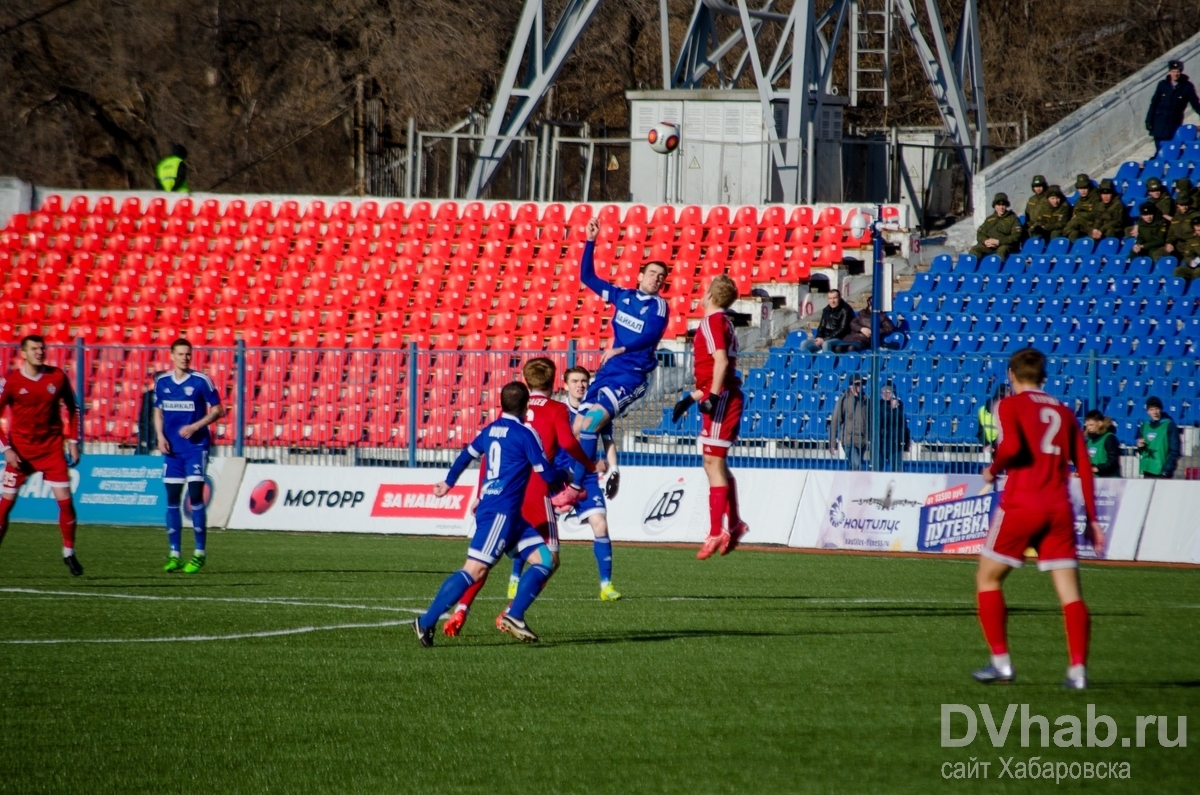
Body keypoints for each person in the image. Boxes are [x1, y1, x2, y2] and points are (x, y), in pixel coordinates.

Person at [973, 348, 1104, 690]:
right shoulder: (1063, 412)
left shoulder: (1009, 405)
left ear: (1010, 375)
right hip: (1059, 508)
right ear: (1044, 376)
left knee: (987, 578)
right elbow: (1085, 468)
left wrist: (992, 470)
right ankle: (1077, 672)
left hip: (1022, 503)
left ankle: (1001, 663)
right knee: (1070, 594)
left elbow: (1013, 447)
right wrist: (1092, 519)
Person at [442, 358, 602, 636]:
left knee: (483, 560)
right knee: (548, 560)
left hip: (501, 493)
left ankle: (461, 610)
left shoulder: (511, 414)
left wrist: (481, 492)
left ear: (526, 383)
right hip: (536, 492)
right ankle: (512, 613)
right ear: (554, 383)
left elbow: (486, 458)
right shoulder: (557, 409)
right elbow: (566, 443)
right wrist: (588, 466)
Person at [413, 382, 570, 646]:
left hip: (513, 516)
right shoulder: (525, 434)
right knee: (473, 571)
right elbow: (546, 473)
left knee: (546, 560)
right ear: (525, 406)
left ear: (502, 403)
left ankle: (515, 615)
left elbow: (466, 455)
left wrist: (449, 482)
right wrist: (566, 475)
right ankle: (426, 621)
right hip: (499, 513)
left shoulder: (490, 430)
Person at [567, 216, 668, 492]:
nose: (656, 279)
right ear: (639, 276)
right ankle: (607, 470)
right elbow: (587, 277)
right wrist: (590, 241)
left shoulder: (659, 307)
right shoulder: (622, 296)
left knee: (589, 426)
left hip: (631, 377)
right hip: (608, 372)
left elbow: (651, 334)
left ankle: (577, 487)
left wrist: (621, 348)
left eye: (661, 277)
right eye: (652, 274)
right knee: (577, 429)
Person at [672, 275, 749, 560]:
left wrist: (713, 396)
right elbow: (714, 367)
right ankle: (735, 522)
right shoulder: (723, 322)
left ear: (710, 296)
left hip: (722, 398)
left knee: (712, 464)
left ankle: (717, 530)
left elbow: (721, 361)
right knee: (716, 464)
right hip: (721, 395)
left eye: (704, 291)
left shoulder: (711, 321)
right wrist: (692, 397)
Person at [0, 335, 83, 575]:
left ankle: (69, 552)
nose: (39, 352)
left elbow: (73, 406)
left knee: (66, 502)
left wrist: (74, 441)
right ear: (23, 354)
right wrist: (7, 448)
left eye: (42, 348)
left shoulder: (56, 377)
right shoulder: (12, 382)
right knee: (5, 507)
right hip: (21, 453)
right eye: (34, 349)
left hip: (51, 449)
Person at [154, 340, 224, 573]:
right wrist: (160, 437)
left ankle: (199, 553)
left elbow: (218, 410)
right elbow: (158, 411)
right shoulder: (162, 382)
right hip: (172, 450)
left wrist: (195, 426)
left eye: (188, 354)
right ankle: (175, 553)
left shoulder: (201, 381)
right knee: (172, 500)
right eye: (181, 354)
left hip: (196, 448)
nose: (185, 358)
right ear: (172, 356)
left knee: (195, 497)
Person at [556, 366, 621, 598]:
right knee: (536, 528)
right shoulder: (557, 411)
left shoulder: (598, 411)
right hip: (559, 476)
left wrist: (614, 470)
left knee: (600, 524)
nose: (580, 385)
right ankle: (515, 579)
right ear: (565, 385)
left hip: (588, 479)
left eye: (584, 381)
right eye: (575, 381)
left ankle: (606, 586)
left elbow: (608, 441)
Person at [1145, 60, 1200, 148]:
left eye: (1178, 71)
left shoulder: (1187, 87)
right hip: (1159, 123)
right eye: (1173, 71)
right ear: (1169, 72)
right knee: (1159, 151)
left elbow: (1196, 104)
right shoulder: (1163, 85)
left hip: (1174, 123)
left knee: (1172, 148)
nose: (1176, 74)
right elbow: (1154, 103)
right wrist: (1149, 119)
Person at [829, 376, 869, 471]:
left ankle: (850, 485)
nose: (860, 386)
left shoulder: (865, 400)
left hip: (861, 441)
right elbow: (835, 421)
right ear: (851, 386)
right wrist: (832, 443)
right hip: (848, 440)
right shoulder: (844, 400)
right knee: (857, 465)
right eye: (857, 384)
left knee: (853, 468)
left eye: (861, 384)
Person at [1136, 396, 1180, 479]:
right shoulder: (1144, 426)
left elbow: (1175, 451)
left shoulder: (1169, 425)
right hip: (1147, 469)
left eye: (1156, 409)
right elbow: (1142, 450)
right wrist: (1140, 447)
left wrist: (1166, 471)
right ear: (1147, 411)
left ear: (1160, 409)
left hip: (1161, 472)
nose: (1154, 412)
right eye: (1151, 409)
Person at [798, 289, 854, 353]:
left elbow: (842, 329)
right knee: (804, 343)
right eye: (830, 298)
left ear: (839, 298)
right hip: (825, 338)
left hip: (840, 338)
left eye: (835, 298)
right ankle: (805, 362)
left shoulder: (846, 309)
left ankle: (826, 362)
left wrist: (824, 339)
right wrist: (819, 337)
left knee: (826, 344)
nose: (832, 301)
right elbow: (821, 326)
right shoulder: (826, 310)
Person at [969, 193, 1022, 259]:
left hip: (1006, 246)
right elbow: (980, 233)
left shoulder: (1013, 219)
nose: (1001, 207)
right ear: (994, 206)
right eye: (998, 205)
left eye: (1003, 205)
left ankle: (998, 268)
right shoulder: (989, 219)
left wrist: (999, 242)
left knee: (1001, 251)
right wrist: (985, 241)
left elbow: (1016, 236)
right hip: (990, 246)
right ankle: (972, 269)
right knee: (975, 249)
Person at [877, 382, 910, 473]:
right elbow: (882, 420)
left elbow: (901, 422)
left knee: (897, 470)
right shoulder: (878, 405)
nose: (885, 395)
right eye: (883, 392)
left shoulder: (899, 405)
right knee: (877, 471)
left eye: (888, 392)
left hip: (895, 443)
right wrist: (892, 409)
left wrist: (906, 440)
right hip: (881, 443)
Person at [1084, 410, 1121, 478]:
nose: (1089, 428)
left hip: (1110, 480)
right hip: (1095, 480)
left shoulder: (1109, 438)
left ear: (1100, 423)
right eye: (1087, 425)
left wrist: (1098, 468)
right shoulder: (1089, 441)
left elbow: (1113, 461)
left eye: (1091, 425)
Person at [976, 384, 1009, 459]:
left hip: (992, 447)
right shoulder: (1004, 410)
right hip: (999, 446)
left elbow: (980, 432)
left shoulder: (981, 410)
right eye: (1009, 392)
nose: (1011, 395)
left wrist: (987, 444)